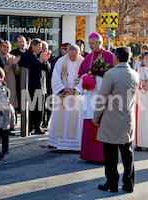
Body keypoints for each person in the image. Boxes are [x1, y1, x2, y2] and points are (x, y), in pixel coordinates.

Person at [93, 46, 139, 193]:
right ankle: (129, 183)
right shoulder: (134, 74)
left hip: (111, 118)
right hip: (128, 118)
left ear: (116, 58)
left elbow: (102, 99)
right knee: (127, 153)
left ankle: (112, 183)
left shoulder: (111, 74)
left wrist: (96, 117)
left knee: (110, 154)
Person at [78, 32, 114, 163]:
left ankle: (100, 156)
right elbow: (81, 72)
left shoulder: (110, 56)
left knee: (101, 124)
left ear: (100, 42)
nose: (90, 46)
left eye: (92, 43)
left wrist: (96, 78)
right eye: (89, 44)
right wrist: (87, 78)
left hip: (103, 97)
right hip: (90, 97)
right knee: (89, 123)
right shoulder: (88, 57)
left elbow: (112, 76)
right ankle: (89, 155)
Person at [48, 44, 84, 150]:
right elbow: (55, 78)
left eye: (75, 56)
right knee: (60, 119)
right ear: (67, 53)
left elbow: (85, 78)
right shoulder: (61, 61)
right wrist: (63, 88)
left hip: (76, 97)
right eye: (71, 56)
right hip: (62, 96)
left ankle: (75, 145)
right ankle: (59, 143)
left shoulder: (83, 62)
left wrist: (76, 89)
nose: (73, 59)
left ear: (79, 53)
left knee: (75, 121)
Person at [20, 38, 51, 134]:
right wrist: (40, 61)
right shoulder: (25, 55)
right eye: (39, 47)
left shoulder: (41, 55)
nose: (40, 49)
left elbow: (48, 69)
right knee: (30, 109)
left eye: (41, 47)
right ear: (32, 46)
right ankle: (29, 128)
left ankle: (37, 127)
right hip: (30, 86)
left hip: (41, 86)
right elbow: (29, 68)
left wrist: (45, 61)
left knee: (40, 109)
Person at [0, 40, 20, 110]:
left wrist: (15, 65)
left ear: (10, 49)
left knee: (11, 107)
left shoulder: (13, 57)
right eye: (4, 47)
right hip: (1, 85)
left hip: (12, 85)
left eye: (7, 47)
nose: (5, 49)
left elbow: (18, 72)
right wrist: (8, 65)